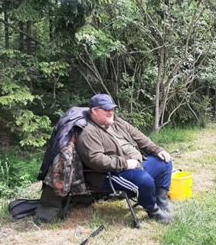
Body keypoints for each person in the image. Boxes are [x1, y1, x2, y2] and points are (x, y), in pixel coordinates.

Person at [75, 93, 174, 224]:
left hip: (136, 164)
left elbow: (140, 138)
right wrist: (125, 163)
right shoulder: (89, 132)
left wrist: (157, 150)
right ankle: (153, 210)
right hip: (111, 174)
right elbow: (95, 160)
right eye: (106, 109)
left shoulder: (118, 123)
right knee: (144, 180)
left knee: (164, 161)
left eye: (112, 109)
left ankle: (160, 200)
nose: (111, 112)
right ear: (94, 111)